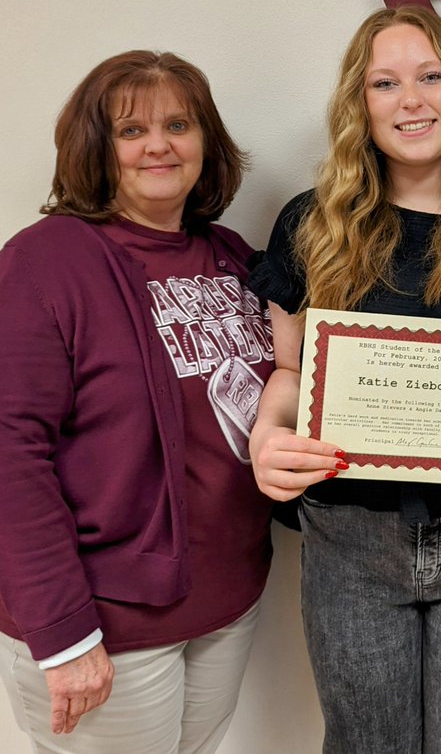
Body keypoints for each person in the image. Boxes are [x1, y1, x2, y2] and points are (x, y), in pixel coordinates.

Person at [248, 5, 441, 754]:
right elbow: (289, 370)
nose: (410, 100)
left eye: (430, 76)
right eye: (385, 83)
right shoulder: (312, 223)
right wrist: (266, 436)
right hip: (348, 538)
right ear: (360, 103)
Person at [0, 51, 275, 753]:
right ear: (97, 147)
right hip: (106, 623)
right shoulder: (46, 259)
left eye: (178, 124)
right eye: (131, 130)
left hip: (226, 601)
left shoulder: (233, 256)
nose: (159, 145)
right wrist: (63, 635)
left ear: (205, 141)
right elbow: (9, 453)